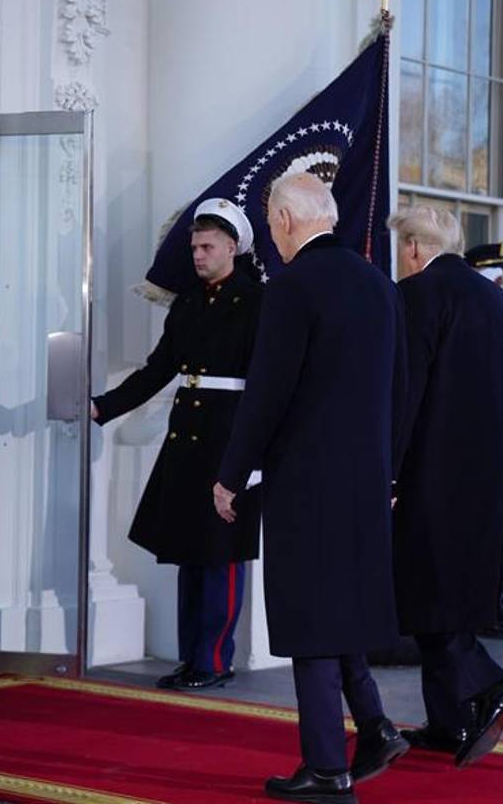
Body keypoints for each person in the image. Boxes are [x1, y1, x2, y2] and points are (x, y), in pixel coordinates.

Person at [214, 173, 408, 803]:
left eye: (270, 221)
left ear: (290, 220)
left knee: (309, 616)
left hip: (306, 479)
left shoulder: (293, 288)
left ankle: (327, 767)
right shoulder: (379, 285)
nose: (270, 233)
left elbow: (267, 393)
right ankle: (374, 727)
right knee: (341, 607)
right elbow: (401, 392)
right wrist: (392, 472)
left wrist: (231, 474)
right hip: (368, 480)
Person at [92, 198, 262, 691]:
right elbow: (159, 368)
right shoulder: (189, 302)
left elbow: (266, 384)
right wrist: (103, 406)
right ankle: (194, 657)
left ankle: (214, 659)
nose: (199, 255)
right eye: (194, 247)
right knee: (191, 551)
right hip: (188, 439)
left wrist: (253, 457)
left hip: (230, 438)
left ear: (233, 247)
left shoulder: (257, 301)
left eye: (208, 246)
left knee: (222, 553)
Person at [390, 207, 503, 769]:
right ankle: (451, 721)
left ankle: (492, 686)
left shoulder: (420, 294)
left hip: (433, 472)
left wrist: (390, 470)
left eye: (402, 248)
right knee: (448, 594)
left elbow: (407, 391)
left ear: (418, 249)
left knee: (426, 593)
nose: (400, 259)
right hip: (492, 473)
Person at [463, 240, 503, 641]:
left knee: (499, 529)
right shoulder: (476, 311)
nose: (500, 280)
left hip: (502, 440)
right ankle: (481, 612)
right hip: (476, 443)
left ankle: (493, 608)